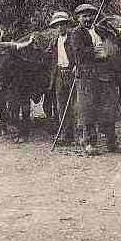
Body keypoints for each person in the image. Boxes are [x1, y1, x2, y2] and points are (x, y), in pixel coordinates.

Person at [68, 4, 121, 155]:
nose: (87, 19)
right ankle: (90, 143)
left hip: (105, 75)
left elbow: (115, 39)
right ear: (78, 18)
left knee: (109, 108)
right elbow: (78, 54)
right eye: (84, 16)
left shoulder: (100, 30)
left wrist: (111, 41)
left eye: (90, 15)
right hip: (87, 76)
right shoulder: (76, 34)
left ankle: (112, 143)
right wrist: (96, 51)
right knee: (88, 110)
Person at [45, 11, 77, 145]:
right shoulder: (54, 41)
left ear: (67, 25)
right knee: (61, 105)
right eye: (57, 25)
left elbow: (79, 53)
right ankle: (65, 135)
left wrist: (76, 65)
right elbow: (49, 57)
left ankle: (79, 134)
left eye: (62, 24)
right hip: (59, 74)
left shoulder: (73, 38)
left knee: (75, 104)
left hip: (72, 73)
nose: (60, 28)